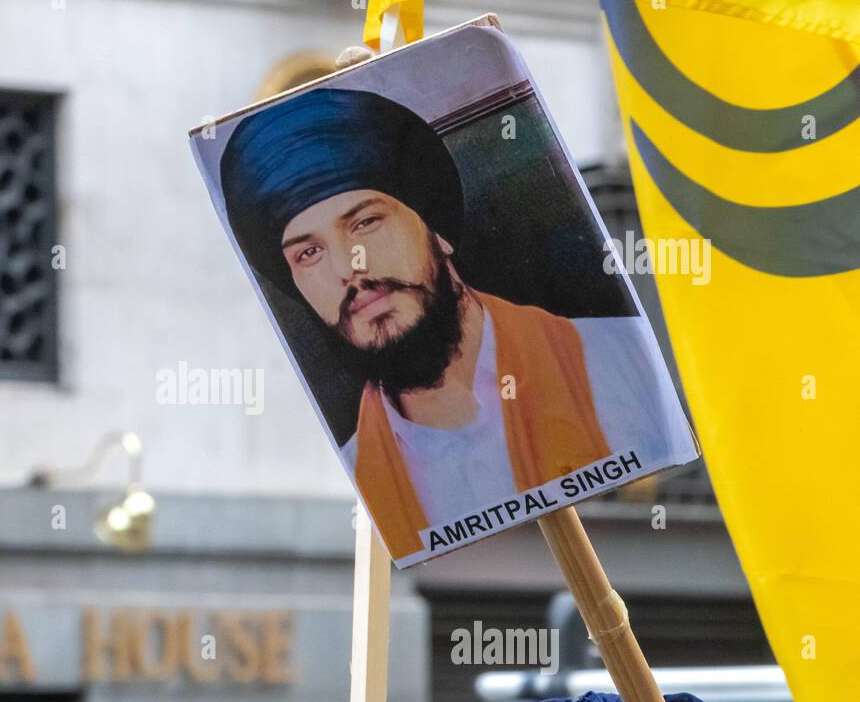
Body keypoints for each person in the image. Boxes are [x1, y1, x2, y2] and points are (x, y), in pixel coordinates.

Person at [219, 88, 690, 561]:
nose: (348, 268)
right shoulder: (366, 471)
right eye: (309, 253)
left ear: (436, 229)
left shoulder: (614, 366)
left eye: (365, 223)